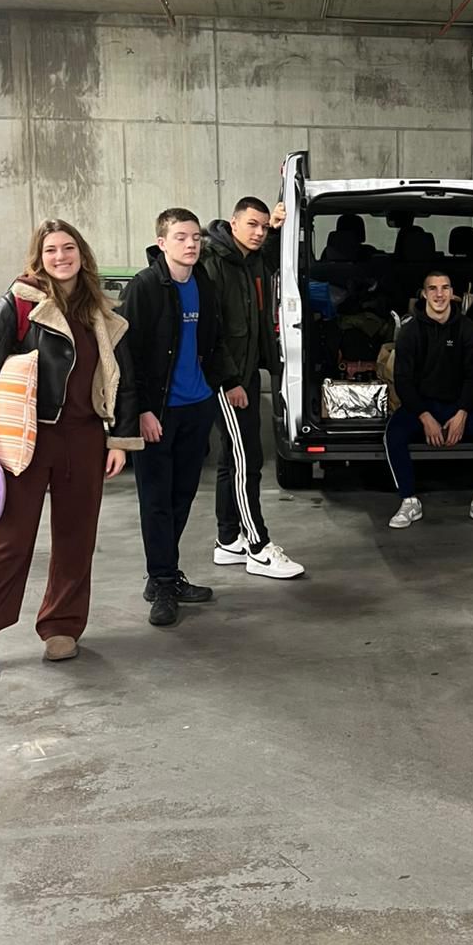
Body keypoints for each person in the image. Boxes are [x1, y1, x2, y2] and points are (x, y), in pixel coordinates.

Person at [0, 219, 141, 686]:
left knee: (77, 539)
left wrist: (119, 439)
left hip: (85, 437)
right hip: (29, 438)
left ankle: (61, 625)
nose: (61, 256)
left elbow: (125, 379)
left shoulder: (101, 310)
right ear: (39, 257)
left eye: (68, 247)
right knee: (11, 540)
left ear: (82, 253)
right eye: (51, 249)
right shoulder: (20, 301)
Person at [123, 208, 222, 628]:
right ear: (162, 243)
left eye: (196, 237)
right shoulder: (145, 286)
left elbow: (211, 340)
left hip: (197, 406)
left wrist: (217, 386)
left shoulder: (203, 282)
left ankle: (164, 573)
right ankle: (163, 582)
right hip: (158, 412)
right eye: (181, 237)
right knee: (156, 500)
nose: (191, 244)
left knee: (182, 495)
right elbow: (128, 354)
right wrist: (142, 410)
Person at [202, 196, 304, 580]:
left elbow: (275, 259)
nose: (259, 233)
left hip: (244, 375)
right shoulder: (213, 263)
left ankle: (229, 540)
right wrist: (230, 381)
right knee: (248, 461)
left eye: (263, 227)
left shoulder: (251, 260)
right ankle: (258, 547)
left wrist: (277, 226)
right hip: (227, 379)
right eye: (252, 225)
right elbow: (210, 332)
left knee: (234, 459)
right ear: (233, 223)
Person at [385, 267, 473, 529]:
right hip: (422, 406)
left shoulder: (467, 329)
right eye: (433, 288)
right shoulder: (410, 332)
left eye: (445, 288)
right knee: (394, 434)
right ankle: (409, 501)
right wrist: (424, 416)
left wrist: (462, 413)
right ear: (424, 294)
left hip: (458, 404)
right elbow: (403, 381)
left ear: (452, 294)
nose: (439, 294)